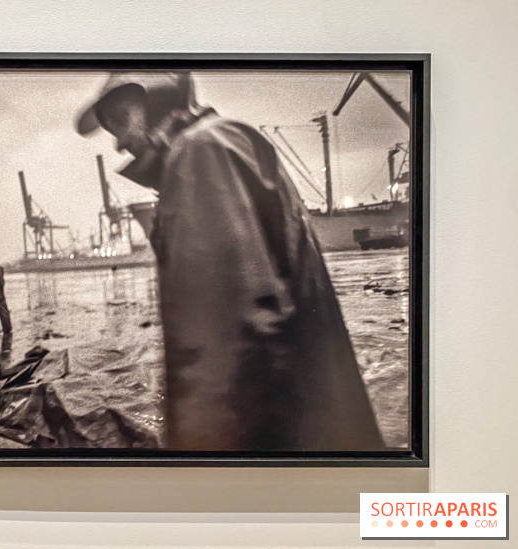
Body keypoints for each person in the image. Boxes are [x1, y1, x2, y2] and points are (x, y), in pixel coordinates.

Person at [76, 72, 385, 451]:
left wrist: (201, 462)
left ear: (156, 98)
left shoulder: (200, 153)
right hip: (312, 435)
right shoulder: (222, 143)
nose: (119, 142)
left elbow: (229, 343)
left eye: (121, 120)